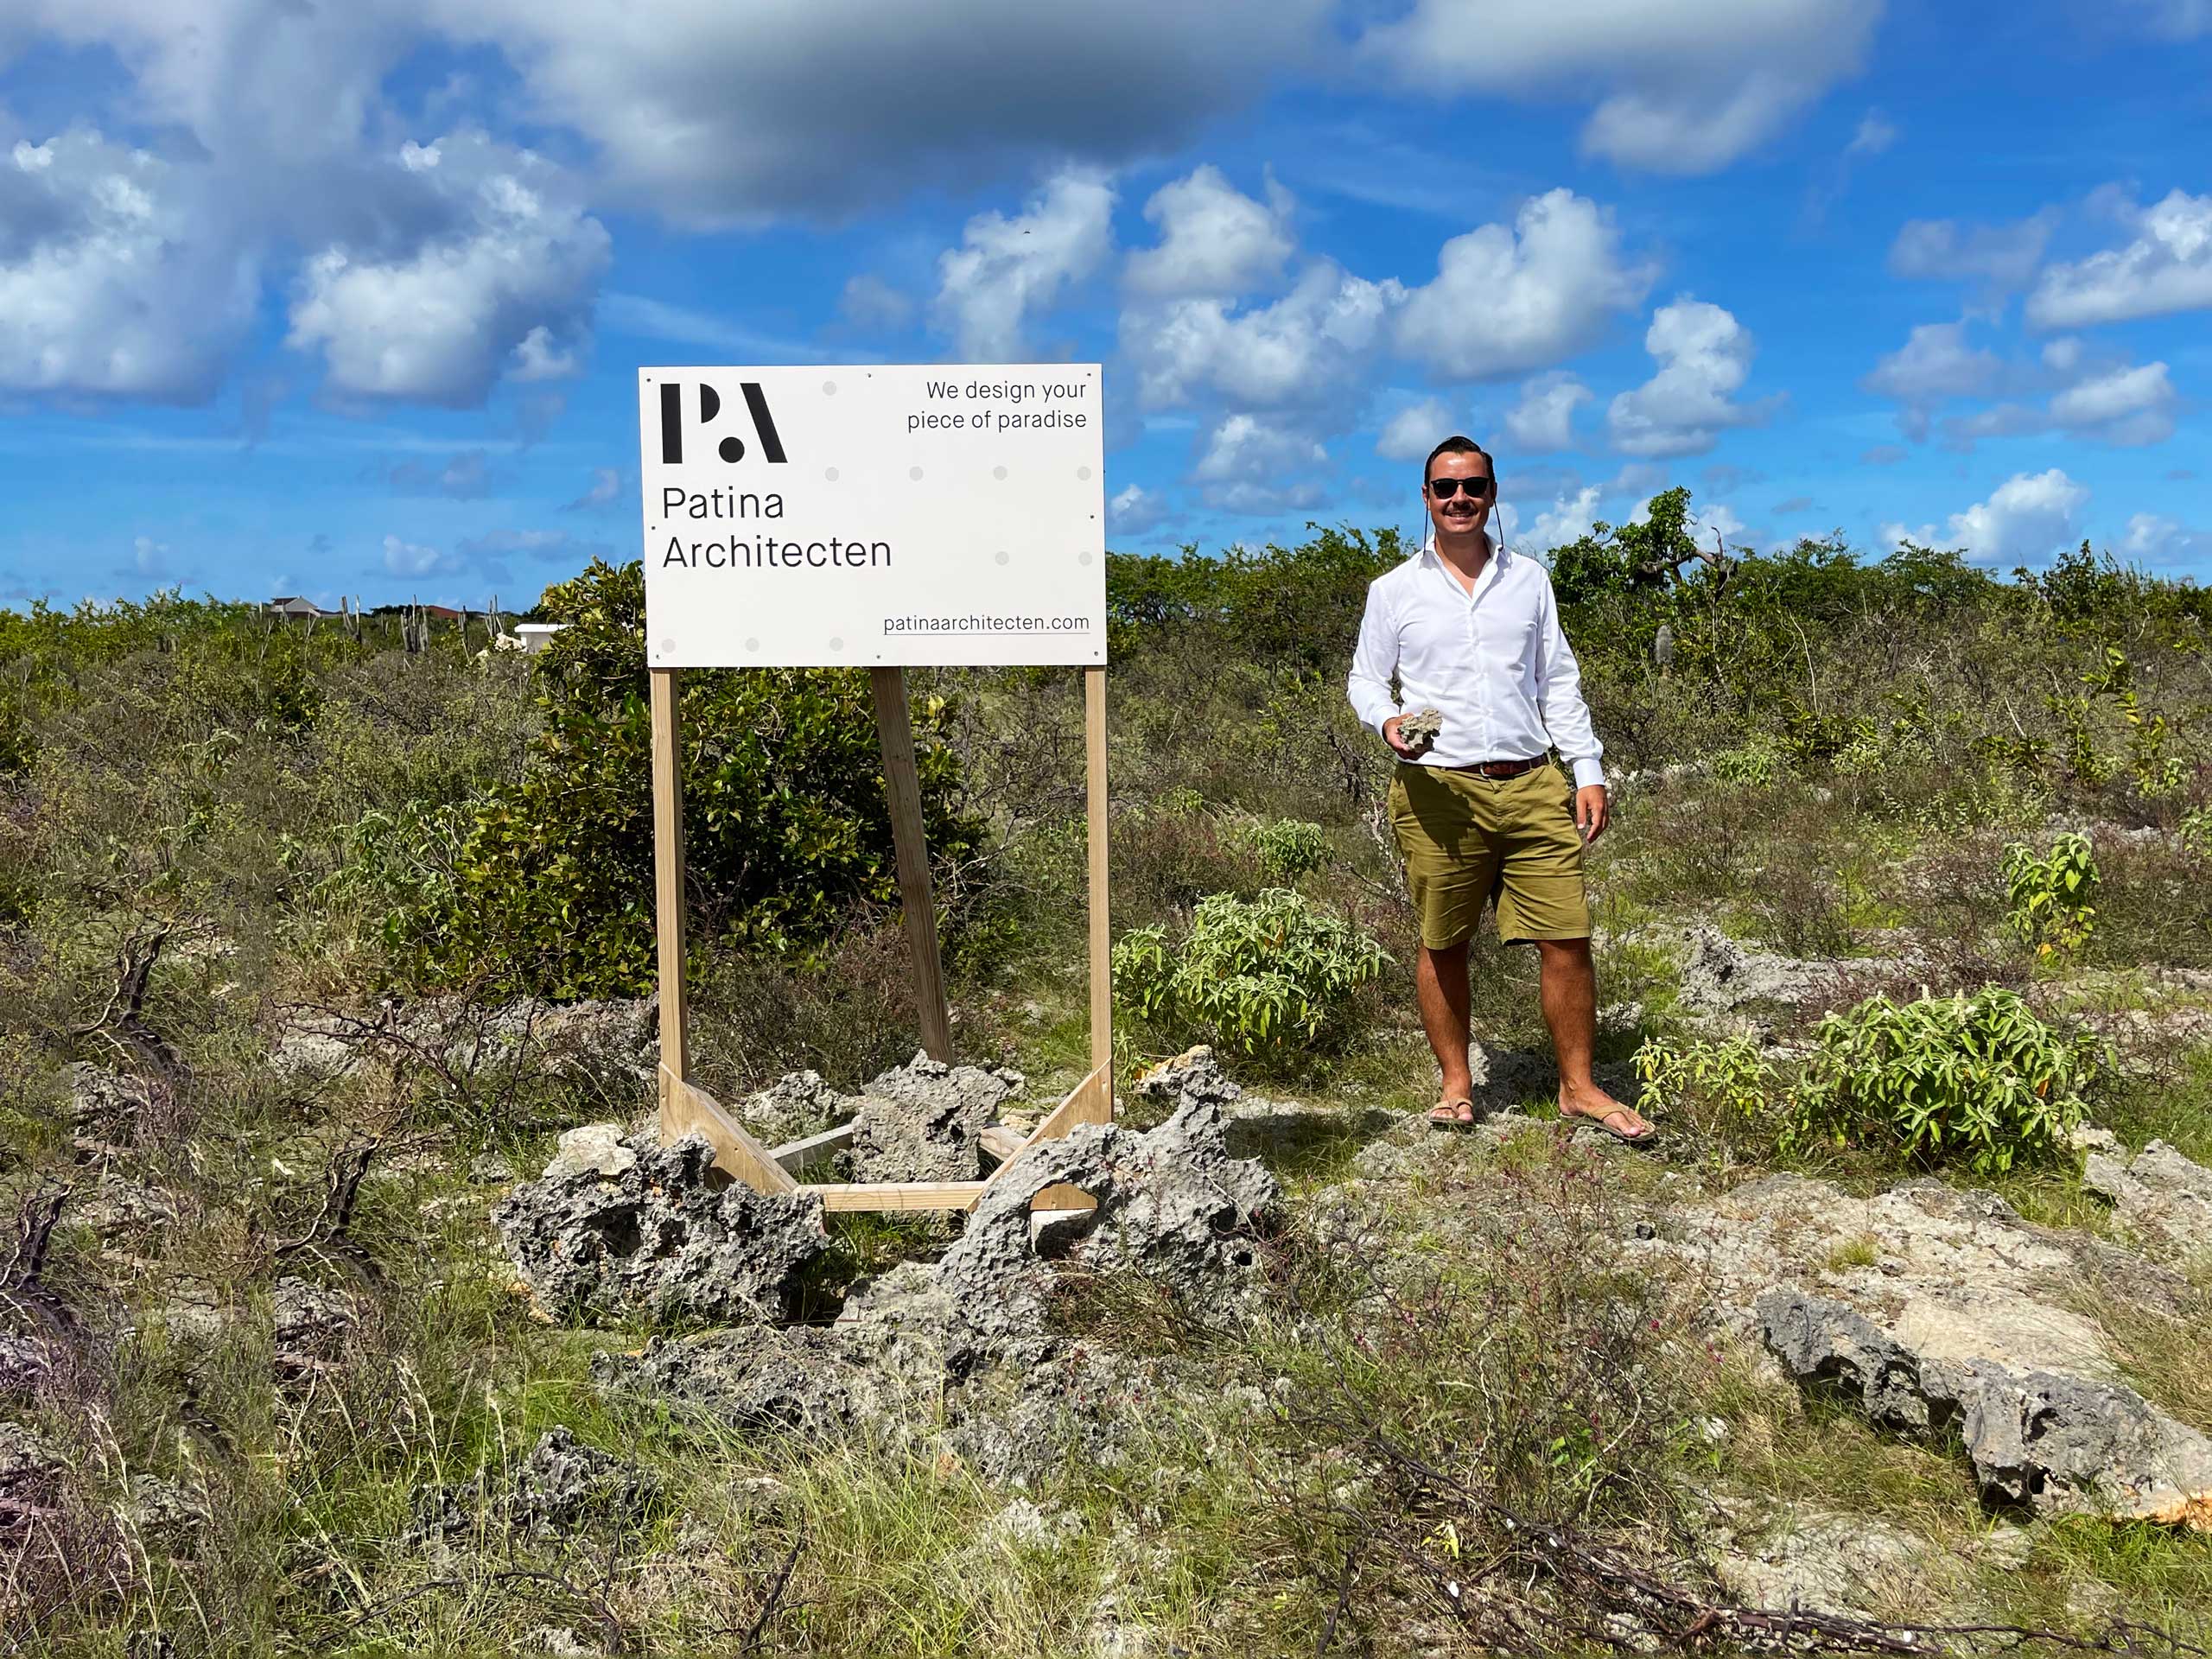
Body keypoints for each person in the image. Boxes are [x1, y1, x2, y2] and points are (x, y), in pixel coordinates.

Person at [1346, 435, 1654, 1141]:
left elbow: (1559, 682)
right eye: (1446, 488)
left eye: (1474, 487)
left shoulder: (1530, 580)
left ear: (1493, 494)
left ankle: (1578, 1087)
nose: (1460, 499)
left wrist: (1588, 770)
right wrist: (1387, 720)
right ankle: (1457, 1084)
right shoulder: (1394, 590)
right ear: (1425, 498)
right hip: (1438, 791)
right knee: (1443, 940)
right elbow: (1365, 677)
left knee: (1568, 938)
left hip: (1532, 781)